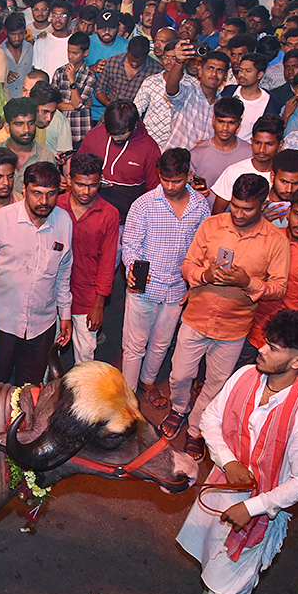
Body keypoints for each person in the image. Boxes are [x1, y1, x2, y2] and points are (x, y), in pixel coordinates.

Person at [172, 309, 298, 594]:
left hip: (258, 512)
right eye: (265, 340)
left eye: (272, 347)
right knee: (210, 553)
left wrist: (253, 507)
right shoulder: (245, 377)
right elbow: (209, 419)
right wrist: (229, 462)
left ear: (297, 362)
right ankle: (207, 593)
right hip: (223, 485)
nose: (260, 348)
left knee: (230, 592)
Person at [161, 174, 290, 461]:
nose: (239, 214)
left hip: (235, 326)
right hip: (196, 316)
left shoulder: (275, 240)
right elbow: (188, 265)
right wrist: (205, 275)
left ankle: (195, 430)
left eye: (248, 209)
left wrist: (248, 282)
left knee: (216, 385)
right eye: (235, 206)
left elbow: (279, 287)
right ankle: (178, 409)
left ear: (263, 205)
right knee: (180, 374)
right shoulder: (211, 225)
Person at [120, 148, 212, 406]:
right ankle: (128, 394)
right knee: (134, 345)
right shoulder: (144, 204)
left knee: (161, 343)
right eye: (165, 180)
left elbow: (202, 247)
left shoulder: (199, 206)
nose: (170, 186)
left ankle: (148, 382)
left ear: (188, 175)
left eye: (177, 180)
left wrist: (193, 283)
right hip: (145, 286)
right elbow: (130, 245)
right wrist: (131, 268)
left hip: (177, 287)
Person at [0, 161, 73, 385]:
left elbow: (63, 273)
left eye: (51, 194)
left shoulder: (64, 222)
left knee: (30, 390)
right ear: (23, 189)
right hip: (2, 323)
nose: (44, 201)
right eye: (37, 193)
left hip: (41, 325)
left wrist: (66, 314)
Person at [242, 182, 298, 363]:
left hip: (284, 336)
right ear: (289, 211)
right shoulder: (269, 236)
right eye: (297, 214)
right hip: (248, 323)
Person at [57, 153, 120, 365]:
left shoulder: (109, 213)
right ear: (69, 180)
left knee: (85, 358)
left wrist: (99, 304)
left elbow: (107, 261)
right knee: (47, 353)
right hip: (53, 293)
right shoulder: (55, 205)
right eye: (80, 184)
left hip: (87, 295)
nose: (86, 191)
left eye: (92, 185)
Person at [78, 100, 161, 221]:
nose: (116, 137)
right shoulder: (94, 135)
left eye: (121, 133)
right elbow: (78, 168)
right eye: (111, 133)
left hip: (125, 218)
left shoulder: (149, 147)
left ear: (133, 126)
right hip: (88, 212)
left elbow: (155, 190)